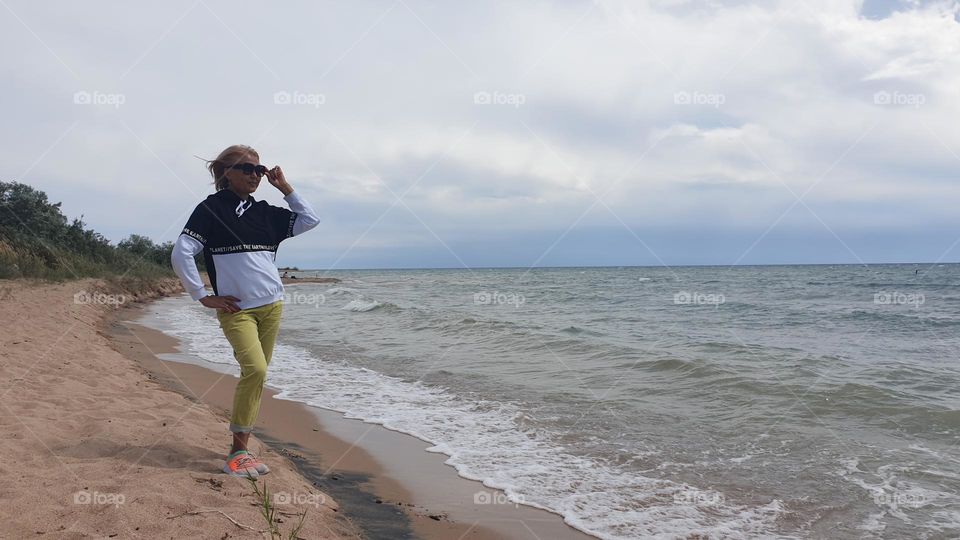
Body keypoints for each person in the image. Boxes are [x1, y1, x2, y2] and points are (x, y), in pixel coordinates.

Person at [170, 144, 320, 477]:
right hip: (238, 311)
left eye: (258, 168)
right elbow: (182, 251)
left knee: (255, 376)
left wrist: (285, 188)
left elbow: (310, 219)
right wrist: (201, 295)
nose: (255, 174)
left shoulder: (266, 212)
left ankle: (242, 449)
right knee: (256, 371)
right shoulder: (211, 209)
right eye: (246, 168)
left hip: (272, 307)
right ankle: (238, 453)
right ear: (227, 172)